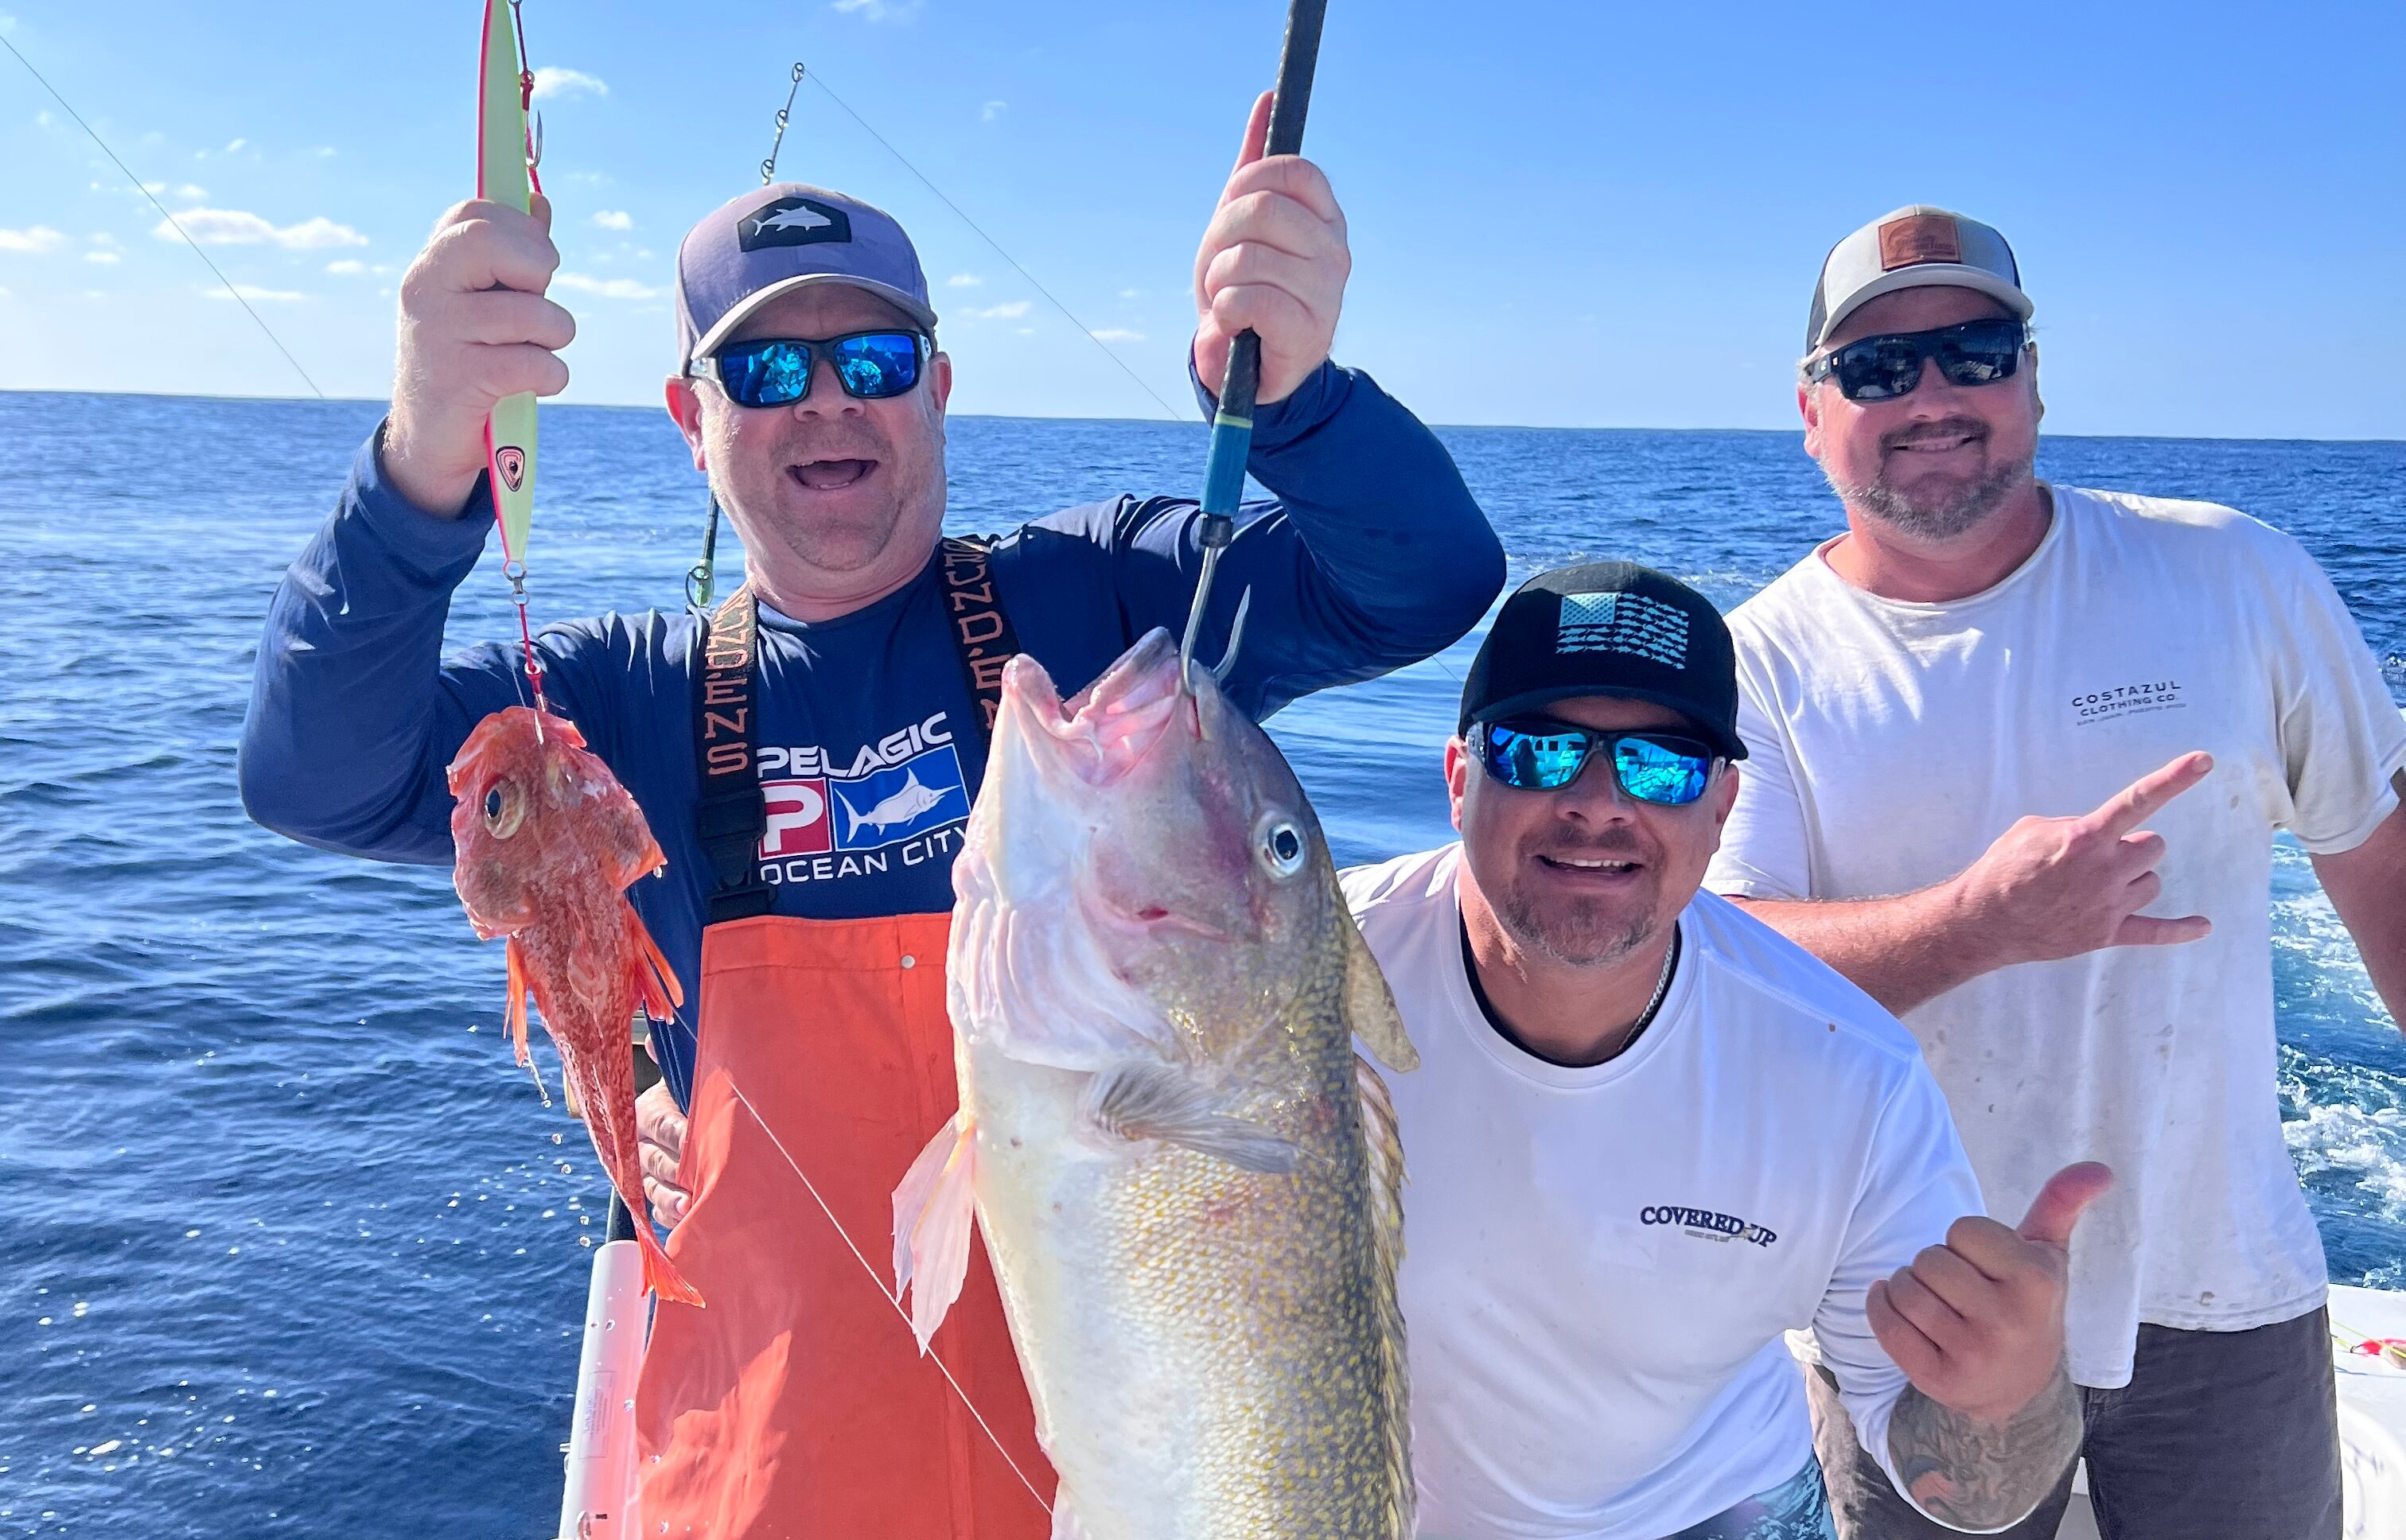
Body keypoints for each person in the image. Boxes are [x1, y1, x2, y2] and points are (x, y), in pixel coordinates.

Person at [236, 92, 1505, 1539]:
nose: (827, 398)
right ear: (689, 418)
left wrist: (1291, 397)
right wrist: (417, 465)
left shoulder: (1090, 604)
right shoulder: (617, 708)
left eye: (875, 358)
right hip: (769, 1485)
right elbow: (317, 775)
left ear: (939, 388)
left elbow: (1423, 577)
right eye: (766, 365)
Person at [1703, 204, 2406, 1539]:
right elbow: (1723, 974)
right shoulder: (1751, 669)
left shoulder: (2234, 576)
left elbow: (2381, 870)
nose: (1928, 394)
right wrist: (1976, 924)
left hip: (2223, 1292)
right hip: (1905, 1303)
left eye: (1973, 350)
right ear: (1808, 411)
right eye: (1873, 368)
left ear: (2029, 377)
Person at [1338, 561, 2103, 1538]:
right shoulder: (1292, 980)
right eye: (1540, 752)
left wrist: (2012, 1399)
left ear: (1722, 808)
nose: (1599, 801)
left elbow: (1967, 1488)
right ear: (1458, 781)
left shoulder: (1846, 1072)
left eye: (1664, 767)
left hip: (1717, 1515)